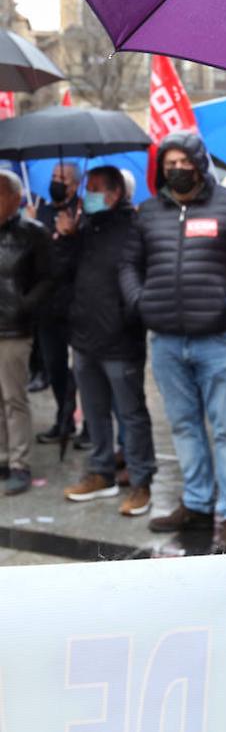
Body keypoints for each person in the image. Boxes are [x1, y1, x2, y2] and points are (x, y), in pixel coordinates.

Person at [119, 133, 226, 554]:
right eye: (169, 163)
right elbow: (129, 264)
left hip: (220, 338)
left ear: (200, 163)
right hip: (166, 340)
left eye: (184, 161)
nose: (177, 169)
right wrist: (139, 300)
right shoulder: (148, 211)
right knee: (184, 426)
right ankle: (199, 504)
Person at [55, 166, 156, 516]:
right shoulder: (85, 226)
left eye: (96, 188)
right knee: (95, 413)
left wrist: (125, 320)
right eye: (88, 187)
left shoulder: (134, 228)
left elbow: (141, 281)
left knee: (131, 414)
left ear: (115, 193)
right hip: (84, 337)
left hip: (120, 340)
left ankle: (141, 481)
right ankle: (101, 473)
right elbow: (64, 275)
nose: (89, 193)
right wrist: (67, 237)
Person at [0, 171, 53, 495]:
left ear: (14, 198)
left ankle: (20, 463)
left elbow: (50, 278)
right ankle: (2, 457)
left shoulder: (33, 233)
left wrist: (24, 305)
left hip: (13, 329)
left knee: (13, 398)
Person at [31, 161, 82, 446]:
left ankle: (85, 423)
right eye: (53, 177)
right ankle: (62, 418)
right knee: (55, 366)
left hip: (77, 303)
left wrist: (71, 234)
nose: (56, 182)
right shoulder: (42, 211)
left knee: (84, 369)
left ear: (74, 184)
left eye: (61, 178)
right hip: (48, 306)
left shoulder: (84, 212)